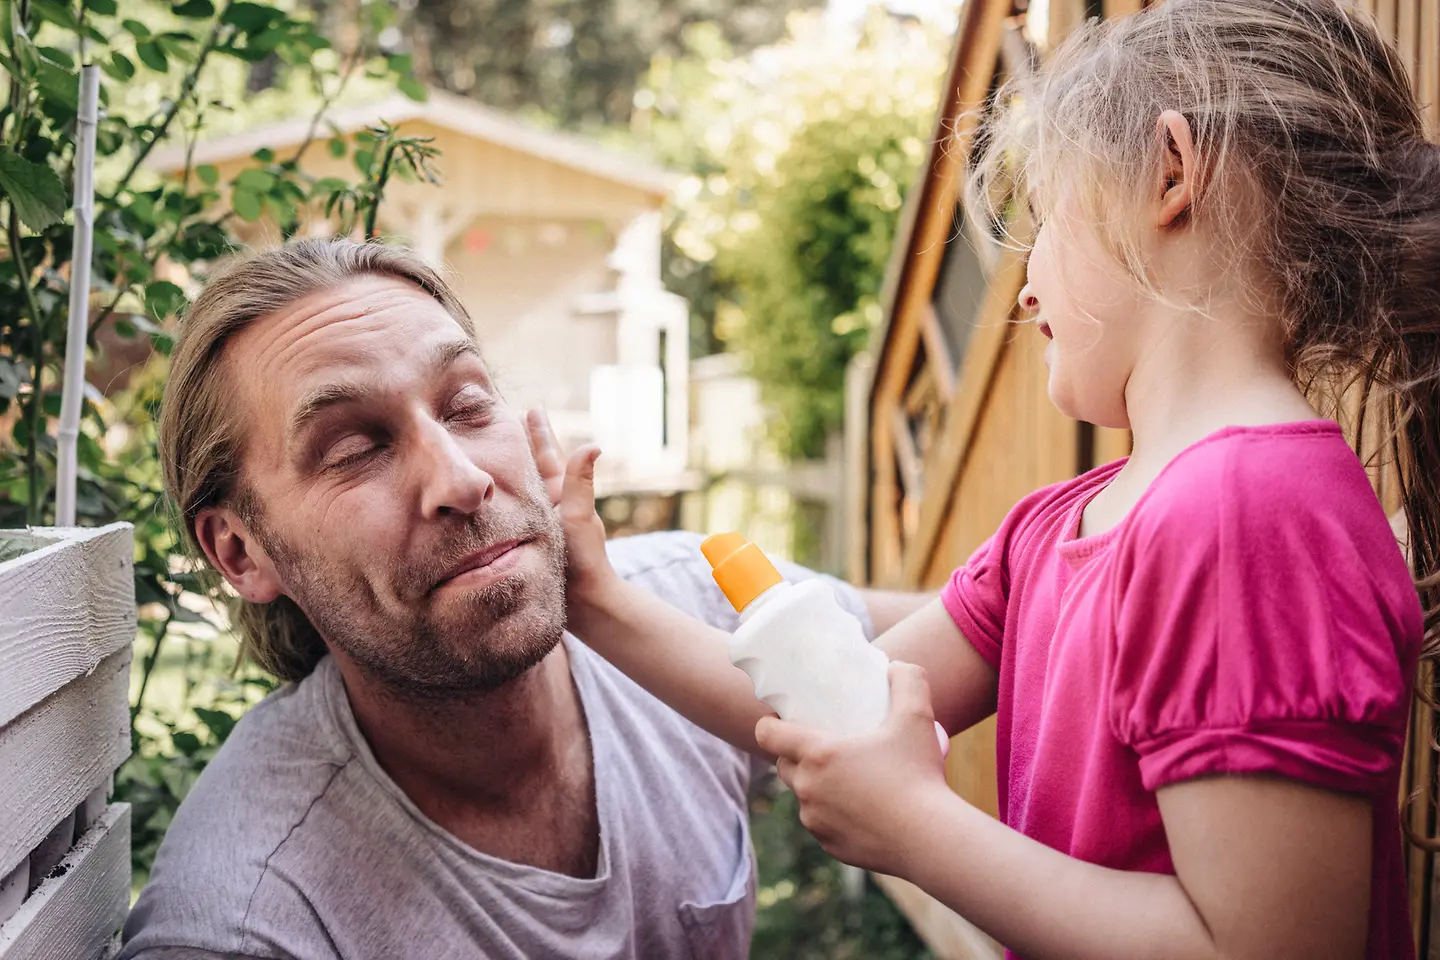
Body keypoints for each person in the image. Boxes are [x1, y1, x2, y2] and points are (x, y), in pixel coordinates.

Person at [554, 1, 1440, 957]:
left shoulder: (1252, 513)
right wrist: (592, 598)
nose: (1022, 285)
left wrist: (920, 831)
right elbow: (830, 698)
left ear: (1171, 175)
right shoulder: (1062, 524)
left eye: (1049, 214)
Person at [118, 239, 927, 960]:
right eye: (356, 448)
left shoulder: (684, 605)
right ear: (239, 549)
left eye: (468, 405)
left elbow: (992, 634)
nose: (463, 479)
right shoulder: (254, 922)